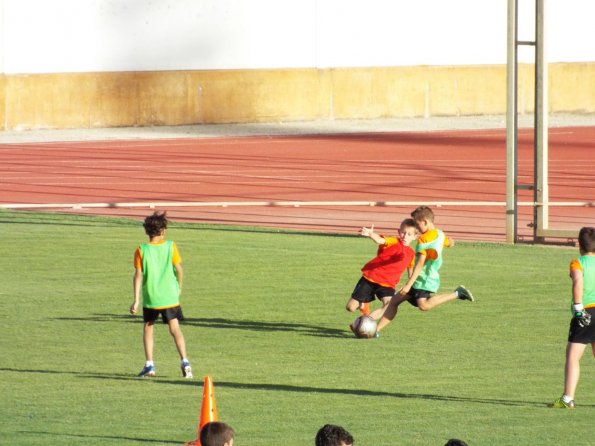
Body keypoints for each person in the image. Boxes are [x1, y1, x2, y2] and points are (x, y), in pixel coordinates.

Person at [376, 206, 474, 334]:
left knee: (423, 305)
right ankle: (375, 330)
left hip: (424, 279)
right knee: (394, 301)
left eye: (417, 224)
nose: (417, 228)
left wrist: (408, 284)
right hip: (422, 277)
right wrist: (450, 241)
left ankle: (457, 294)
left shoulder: (424, 239)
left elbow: (420, 264)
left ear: (425, 222)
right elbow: (450, 243)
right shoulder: (439, 233)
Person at [130, 211, 192, 378]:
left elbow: (138, 275)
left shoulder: (141, 250)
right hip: (169, 296)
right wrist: (179, 287)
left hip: (151, 297)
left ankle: (150, 364)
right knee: (175, 328)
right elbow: (179, 269)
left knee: (148, 327)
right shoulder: (170, 246)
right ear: (163, 230)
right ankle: (185, 362)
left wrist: (136, 300)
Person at [551, 226, 595, 409]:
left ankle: (568, 398)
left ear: (579, 244)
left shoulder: (578, 263)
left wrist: (578, 308)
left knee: (573, 356)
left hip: (586, 312)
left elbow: (578, 281)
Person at [346, 219, 417, 322]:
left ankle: (366, 322)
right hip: (370, 278)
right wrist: (371, 234)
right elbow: (380, 240)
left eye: (409, 234)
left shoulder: (411, 254)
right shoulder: (393, 241)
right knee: (350, 307)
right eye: (403, 232)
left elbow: (411, 272)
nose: (405, 236)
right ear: (398, 231)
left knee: (389, 305)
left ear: (415, 237)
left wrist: (411, 285)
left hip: (388, 284)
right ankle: (363, 305)